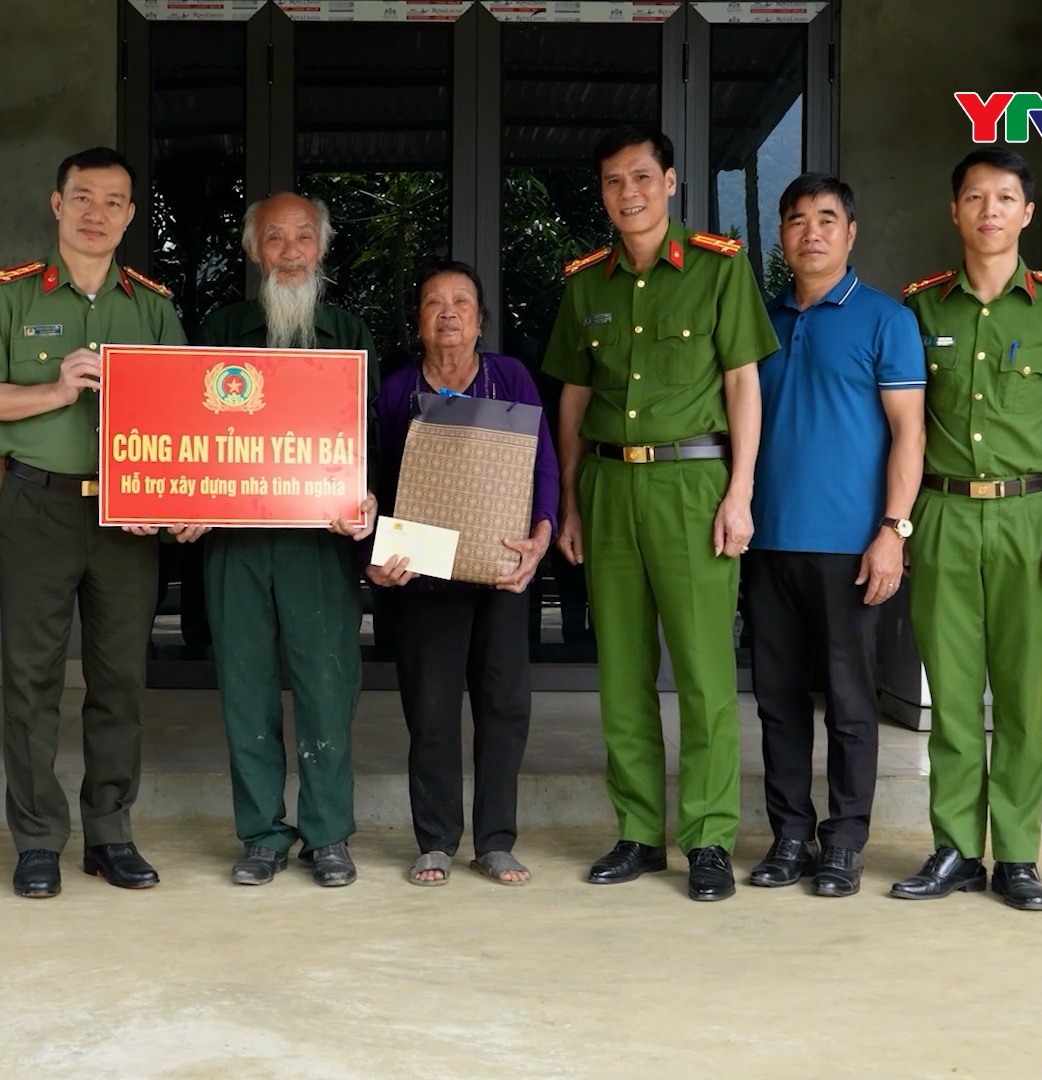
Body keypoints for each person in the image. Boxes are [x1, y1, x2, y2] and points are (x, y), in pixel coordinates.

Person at [542, 126, 777, 902]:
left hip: (692, 484)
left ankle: (708, 837)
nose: (628, 194)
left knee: (706, 672)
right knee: (622, 672)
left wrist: (740, 492)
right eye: (613, 182)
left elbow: (743, 383)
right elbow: (572, 398)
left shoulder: (718, 267)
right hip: (609, 487)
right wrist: (570, 500)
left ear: (671, 182)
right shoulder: (586, 284)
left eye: (641, 177)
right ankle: (639, 832)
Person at [0, 147, 192, 899]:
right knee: (29, 681)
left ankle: (111, 835)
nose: (97, 213)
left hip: (129, 513)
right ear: (57, 205)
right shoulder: (11, 297)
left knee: (120, 678)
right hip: (38, 502)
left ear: (130, 215)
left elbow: (184, 414)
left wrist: (182, 499)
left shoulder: (152, 306)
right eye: (83, 198)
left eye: (114, 201)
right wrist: (55, 391)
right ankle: (35, 841)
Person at [889, 149, 1042, 912]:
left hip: (1028, 512)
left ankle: (1016, 855)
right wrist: (901, 525)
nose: (989, 211)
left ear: (1027, 212)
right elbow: (902, 425)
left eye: (1005, 198)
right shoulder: (920, 308)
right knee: (949, 690)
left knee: (1019, 697)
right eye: (974, 197)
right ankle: (952, 850)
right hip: (941, 512)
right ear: (954, 212)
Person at [742, 175, 925, 899]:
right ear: (781, 237)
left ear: (851, 233)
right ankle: (789, 835)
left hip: (853, 545)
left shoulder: (886, 320)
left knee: (851, 703)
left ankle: (844, 842)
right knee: (778, 701)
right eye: (796, 221)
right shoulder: (761, 322)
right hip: (768, 544)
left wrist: (892, 531)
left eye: (827, 219)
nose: (810, 232)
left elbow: (909, 434)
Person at [196, 192, 379, 888]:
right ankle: (262, 834)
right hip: (236, 539)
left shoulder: (349, 331)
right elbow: (190, 437)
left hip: (319, 542)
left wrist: (368, 505)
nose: (292, 251)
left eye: (305, 236)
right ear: (254, 251)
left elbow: (371, 444)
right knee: (244, 689)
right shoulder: (221, 329)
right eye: (276, 238)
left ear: (323, 248)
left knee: (327, 686)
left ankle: (328, 833)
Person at [368, 260, 556, 887]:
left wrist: (541, 536)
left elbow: (544, 466)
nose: (448, 313)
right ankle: (436, 841)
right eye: (433, 303)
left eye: (462, 302)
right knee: (431, 707)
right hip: (422, 579)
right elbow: (373, 486)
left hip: (500, 569)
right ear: (418, 320)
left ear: (480, 319)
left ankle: (496, 839)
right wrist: (375, 558)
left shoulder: (511, 378)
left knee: (504, 704)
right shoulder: (394, 390)